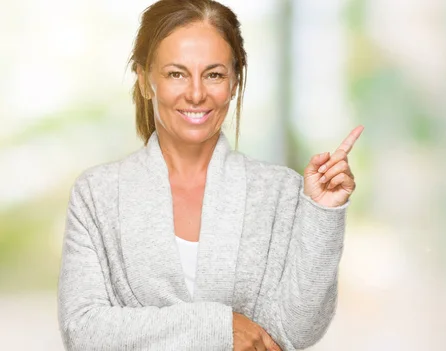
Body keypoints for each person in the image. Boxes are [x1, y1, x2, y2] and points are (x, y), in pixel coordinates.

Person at [57, 0, 363, 350]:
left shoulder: (279, 191)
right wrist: (218, 327)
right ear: (145, 81)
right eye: (176, 73)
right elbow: (82, 330)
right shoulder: (97, 195)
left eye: (214, 74)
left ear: (234, 82)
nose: (197, 93)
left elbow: (296, 332)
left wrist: (322, 213)